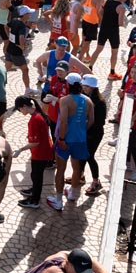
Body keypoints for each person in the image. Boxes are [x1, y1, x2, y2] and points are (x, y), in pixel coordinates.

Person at [48, 72, 91, 210]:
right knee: (77, 167)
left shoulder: (65, 100)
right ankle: (72, 193)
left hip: (66, 140)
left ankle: (58, 200)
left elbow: (64, 121)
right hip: (80, 139)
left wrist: (61, 138)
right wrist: (81, 130)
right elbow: (91, 121)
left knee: (61, 169)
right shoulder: (88, 100)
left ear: (68, 84)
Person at [13, 93, 55, 208]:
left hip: (40, 153)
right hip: (44, 151)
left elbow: (35, 142)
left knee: (37, 177)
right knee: (35, 174)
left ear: (24, 106)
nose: (20, 112)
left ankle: (35, 200)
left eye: (19, 109)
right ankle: (34, 191)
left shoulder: (34, 120)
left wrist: (20, 150)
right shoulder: (38, 113)